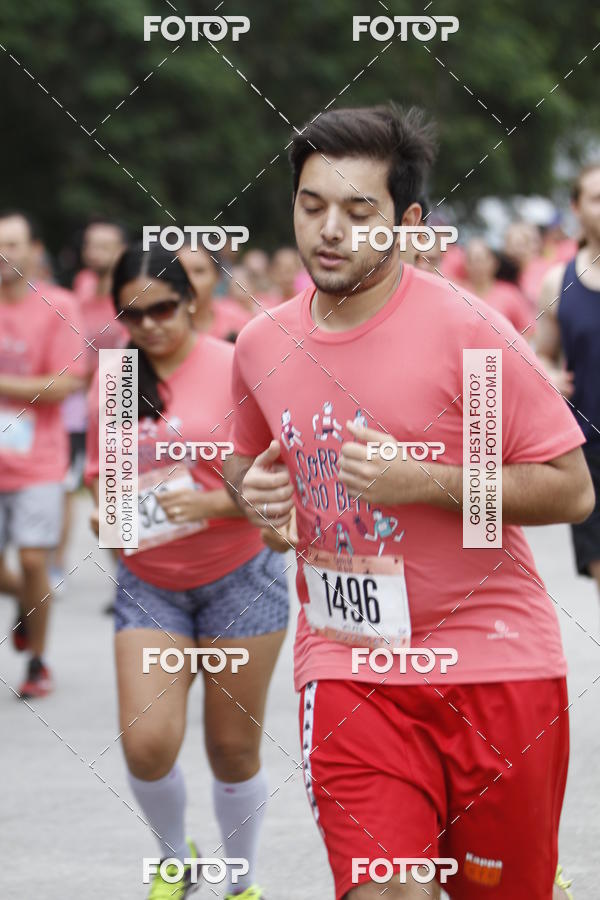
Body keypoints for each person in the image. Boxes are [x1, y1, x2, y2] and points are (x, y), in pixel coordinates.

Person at [222, 104, 591, 899]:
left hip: (496, 665)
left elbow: (569, 488)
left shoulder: (471, 334)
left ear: (409, 222)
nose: (330, 230)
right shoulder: (260, 344)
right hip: (349, 666)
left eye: (359, 212)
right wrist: (254, 495)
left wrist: (420, 480)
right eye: (312, 205)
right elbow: (244, 460)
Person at [85, 243, 288, 899]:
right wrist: (109, 515)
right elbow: (103, 475)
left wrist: (210, 505)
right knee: (147, 745)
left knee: (232, 750)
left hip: (241, 578)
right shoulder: (118, 378)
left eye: (163, 309)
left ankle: (241, 881)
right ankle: (177, 860)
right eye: (132, 316)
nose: (149, 327)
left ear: (192, 301)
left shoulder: (235, 366)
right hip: (151, 584)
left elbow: (280, 478)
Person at [0, 210, 86, 697]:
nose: (3, 253)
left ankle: (37, 662)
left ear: (34, 250)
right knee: (11, 575)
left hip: (38, 459)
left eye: (12, 243)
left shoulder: (59, 305)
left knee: (34, 559)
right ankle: (28, 602)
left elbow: (65, 383)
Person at [536, 162, 600, 615]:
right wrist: (548, 375)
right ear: (576, 208)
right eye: (596, 198)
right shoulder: (558, 282)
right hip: (589, 456)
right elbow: (540, 354)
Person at [54, 219, 128, 580]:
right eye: (90, 245)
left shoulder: (133, 291)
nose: (95, 252)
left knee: (117, 492)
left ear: (122, 251)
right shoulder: (81, 286)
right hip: (78, 399)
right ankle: (55, 565)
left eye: (104, 245)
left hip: (121, 396)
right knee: (68, 482)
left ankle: (128, 578)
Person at [178, 243, 252, 340]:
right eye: (181, 271)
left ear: (217, 276)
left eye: (199, 271)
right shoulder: (161, 328)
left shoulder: (240, 323)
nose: (190, 280)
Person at [460, 238, 531, 334]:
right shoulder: (458, 294)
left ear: (494, 263)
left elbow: (527, 328)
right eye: (472, 261)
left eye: (481, 260)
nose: (477, 266)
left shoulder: (510, 294)